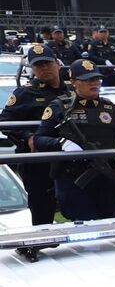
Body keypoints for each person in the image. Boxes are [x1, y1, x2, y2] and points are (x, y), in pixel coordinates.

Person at [32, 58, 115, 221]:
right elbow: (39, 139)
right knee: (88, 231)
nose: (93, 83)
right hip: (73, 180)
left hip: (108, 178)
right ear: (73, 82)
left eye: (96, 79)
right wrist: (61, 143)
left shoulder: (112, 108)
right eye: (87, 80)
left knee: (112, 227)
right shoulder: (59, 107)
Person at [2, 44, 71, 224]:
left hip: (71, 155)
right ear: (32, 68)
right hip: (38, 160)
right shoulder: (25, 93)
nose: (44, 68)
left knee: (78, 205)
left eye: (47, 63)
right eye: (39, 65)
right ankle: (39, 246)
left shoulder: (73, 89)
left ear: (57, 63)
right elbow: (5, 122)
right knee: (42, 208)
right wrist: (27, 137)